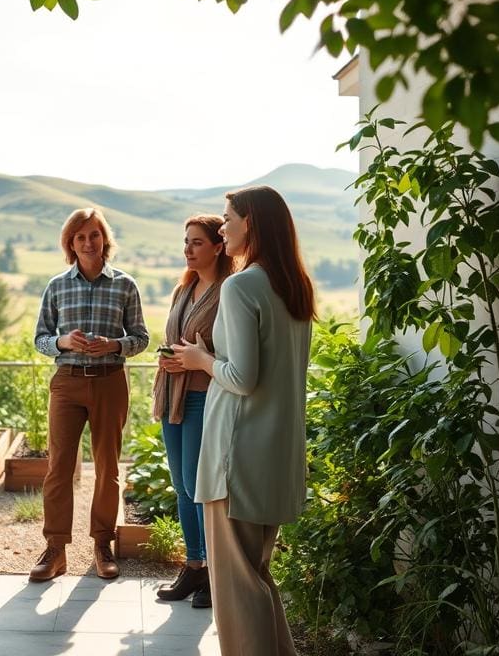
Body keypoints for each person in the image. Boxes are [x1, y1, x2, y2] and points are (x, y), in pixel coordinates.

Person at [173, 185, 314, 656]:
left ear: (250, 222)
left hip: (238, 457)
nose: (224, 225)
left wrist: (200, 359)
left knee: (236, 590)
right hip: (277, 456)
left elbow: (241, 376)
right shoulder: (293, 285)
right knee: (255, 577)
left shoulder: (240, 285)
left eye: (229, 217)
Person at [31, 207, 149, 581]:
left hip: (110, 381)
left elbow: (141, 339)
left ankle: (102, 543)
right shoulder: (57, 286)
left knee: (107, 468)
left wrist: (114, 345)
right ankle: (55, 549)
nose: (87, 242)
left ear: (104, 240)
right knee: (59, 468)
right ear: (70, 243)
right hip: (66, 382)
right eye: (79, 236)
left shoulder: (125, 285)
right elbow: (40, 339)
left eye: (94, 235)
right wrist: (62, 342)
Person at [152, 214, 234, 607]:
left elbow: (230, 352)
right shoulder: (182, 290)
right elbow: (177, 340)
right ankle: (194, 567)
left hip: (205, 396)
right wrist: (169, 358)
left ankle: (215, 577)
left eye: (197, 242)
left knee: (199, 486)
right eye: (186, 241)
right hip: (174, 396)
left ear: (219, 246)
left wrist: (194, 360)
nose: (187, 249)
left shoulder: (228, 292)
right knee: (182, 488)